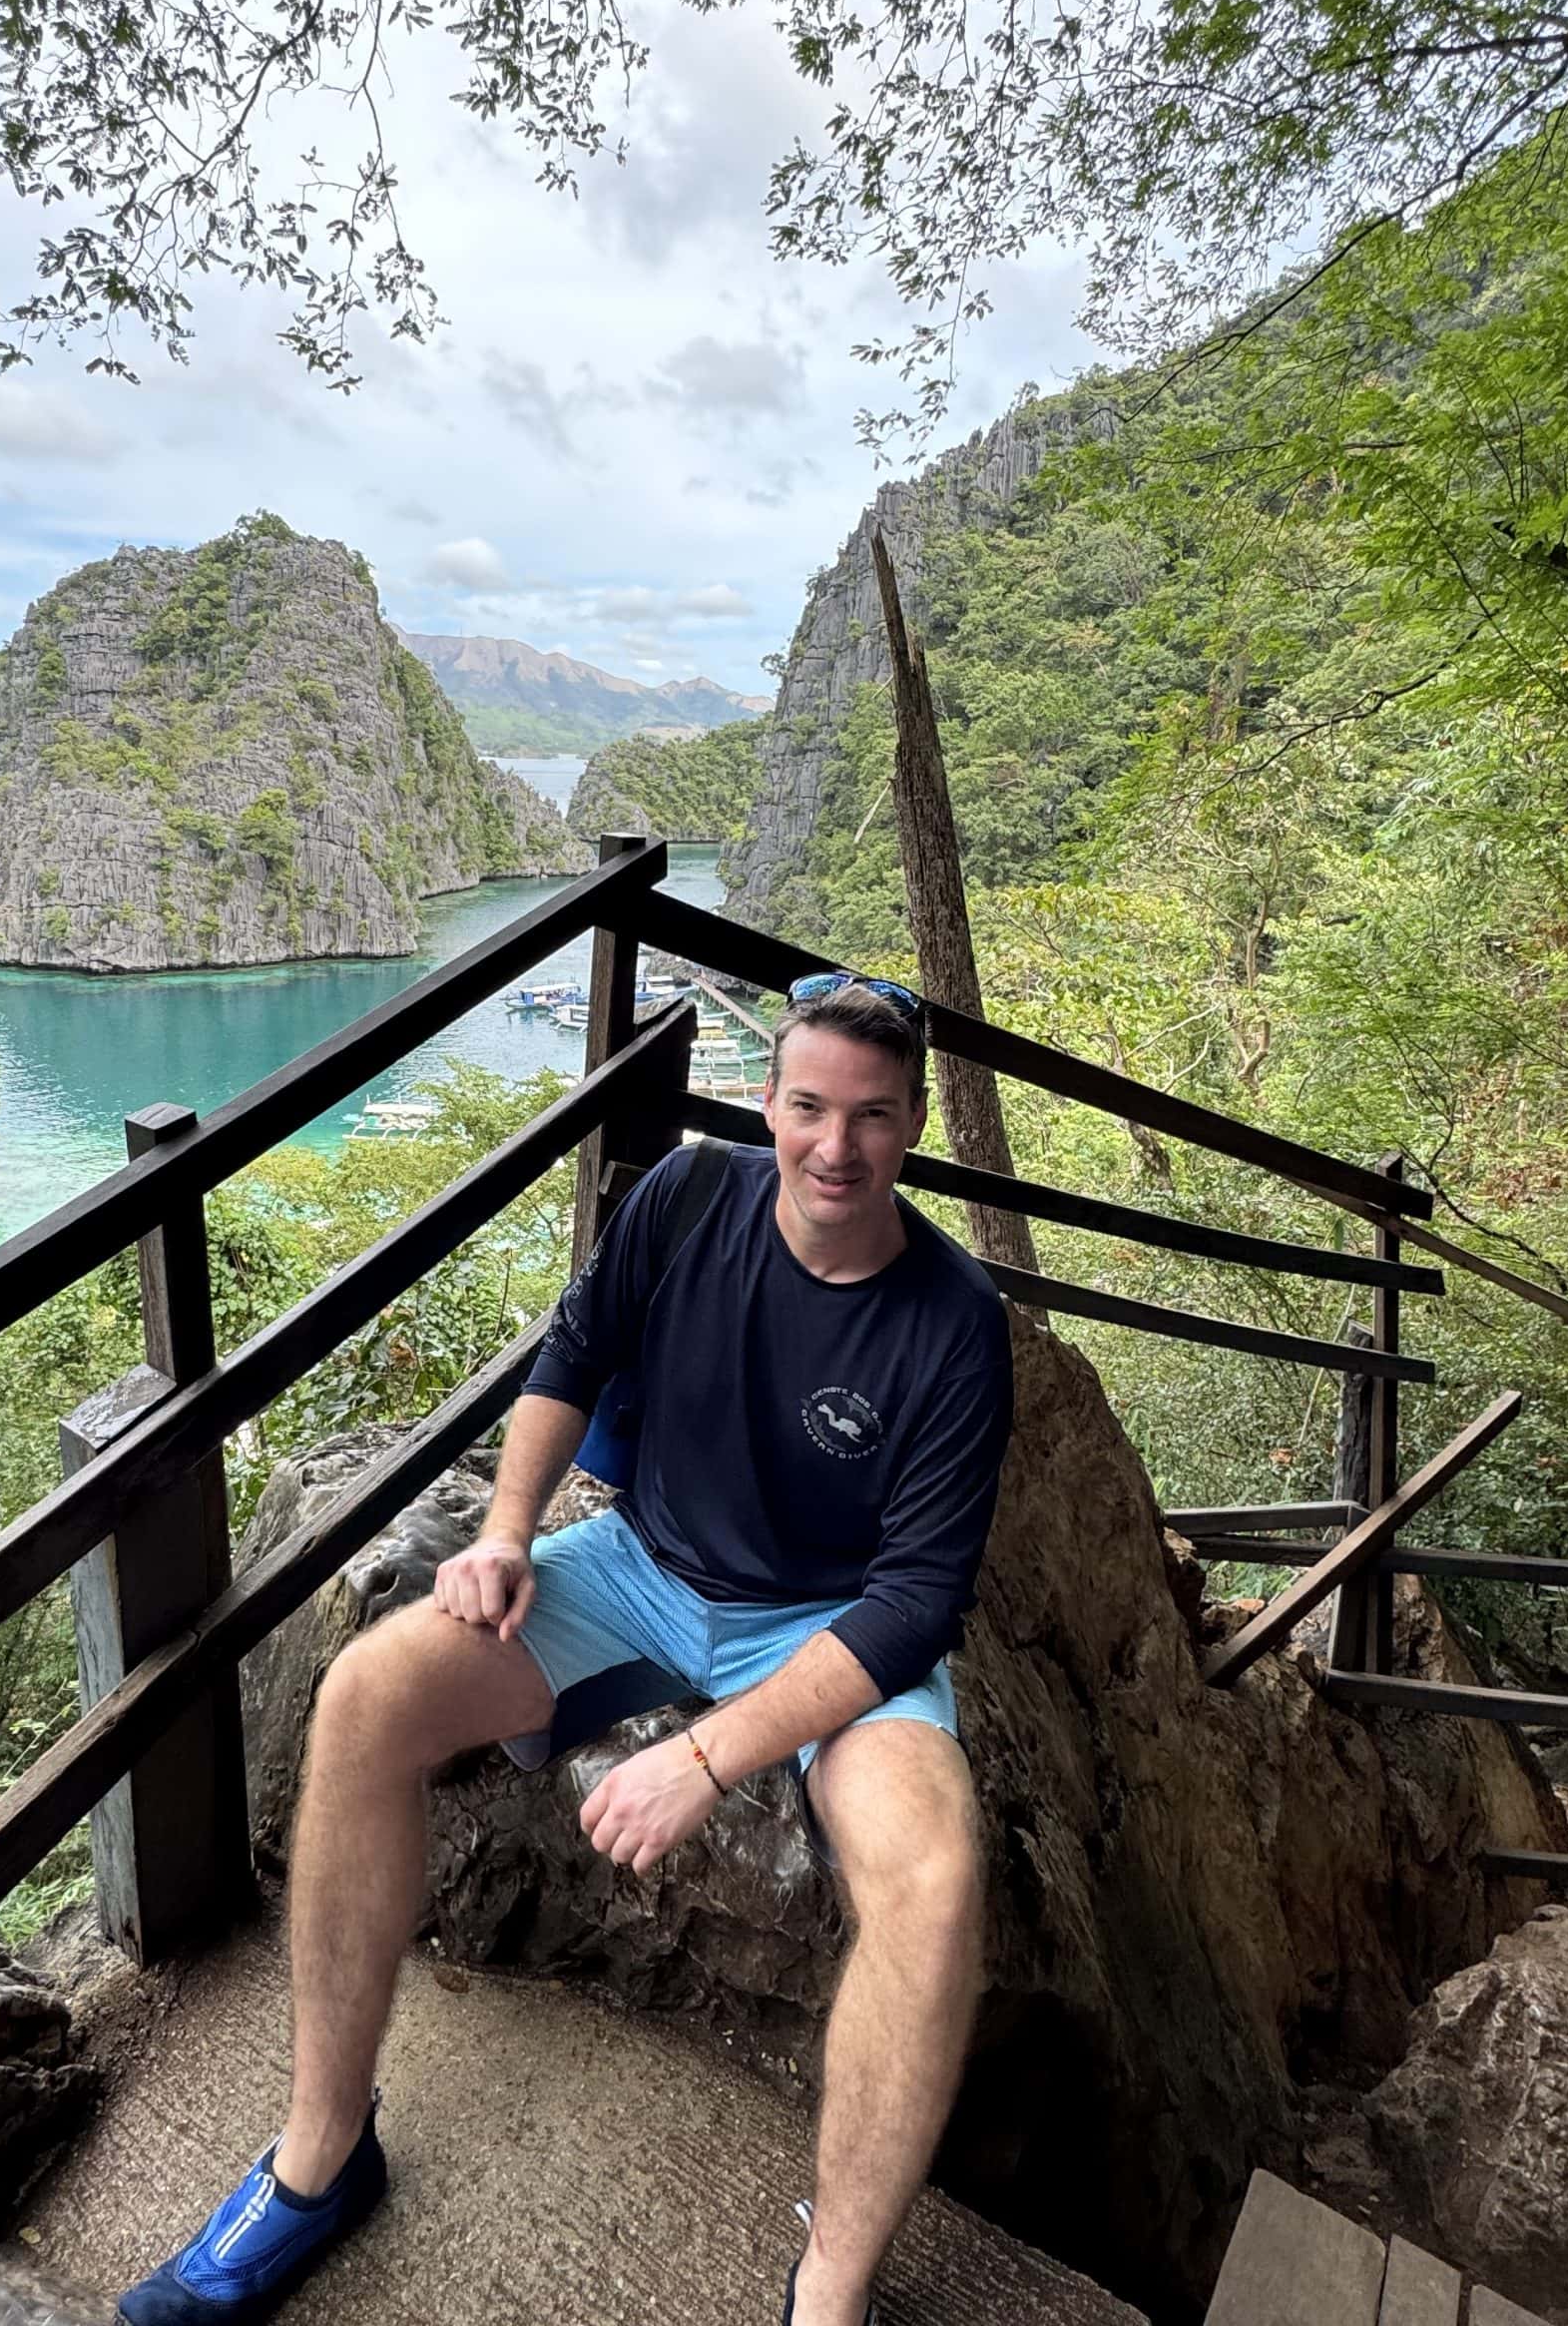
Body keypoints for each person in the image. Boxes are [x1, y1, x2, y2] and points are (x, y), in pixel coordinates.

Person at [120, 972, 1016, 2326]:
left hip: (830, 1625)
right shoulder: (688, 1199)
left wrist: (706, 1759)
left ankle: (826, 2295)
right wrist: (506, 1529)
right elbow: (570, 1361)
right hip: (642, 1566)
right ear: (768, 1101)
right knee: (368, 1694)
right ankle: (318, 2157)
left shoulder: (955, 1323)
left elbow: (913, 1608)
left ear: (912, 1127)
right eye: (812, 1107)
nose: (837, 1148)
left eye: (874, 1118)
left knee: (937, 1880)